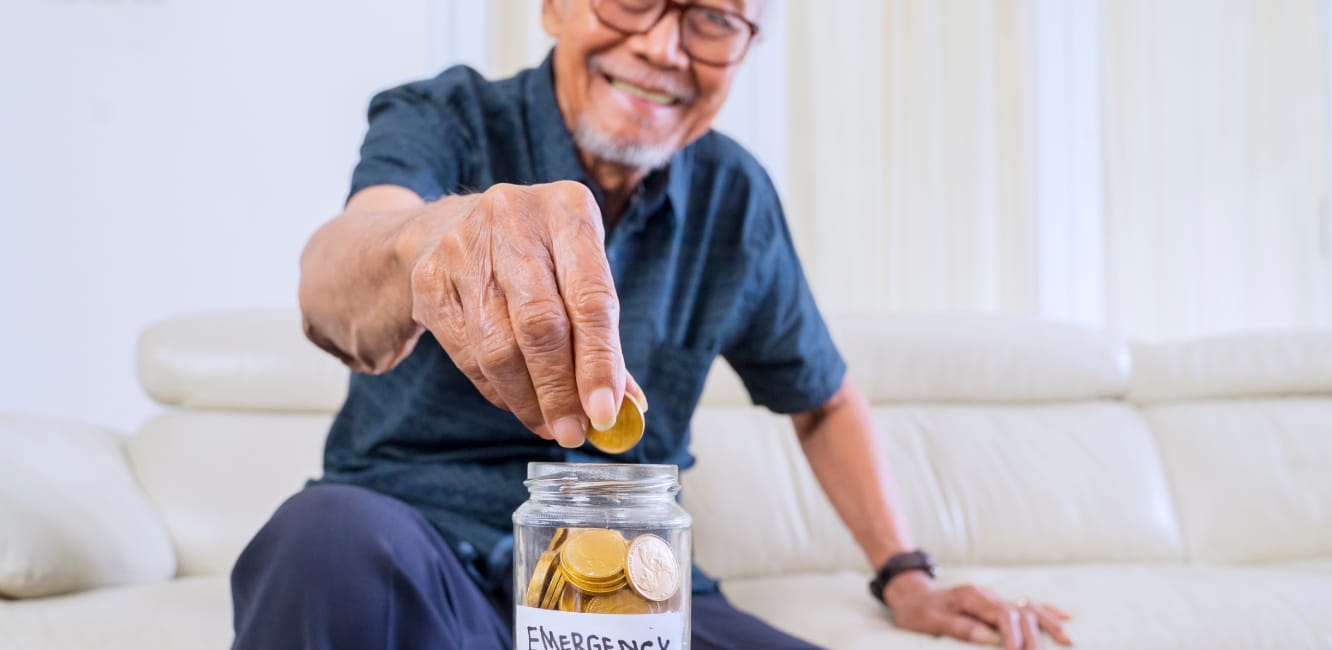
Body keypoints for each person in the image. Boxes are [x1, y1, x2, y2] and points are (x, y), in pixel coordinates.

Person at [230, 1, 1073, 648]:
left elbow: (822, 399)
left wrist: (906, 576)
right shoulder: (442, 119)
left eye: (711, 17)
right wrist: (422, 239)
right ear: (555, 7)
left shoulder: (735, 199)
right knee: (324, 539)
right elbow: (331, 281)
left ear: (744, 50)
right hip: (417, 552)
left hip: (636, 578)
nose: (664, 48)